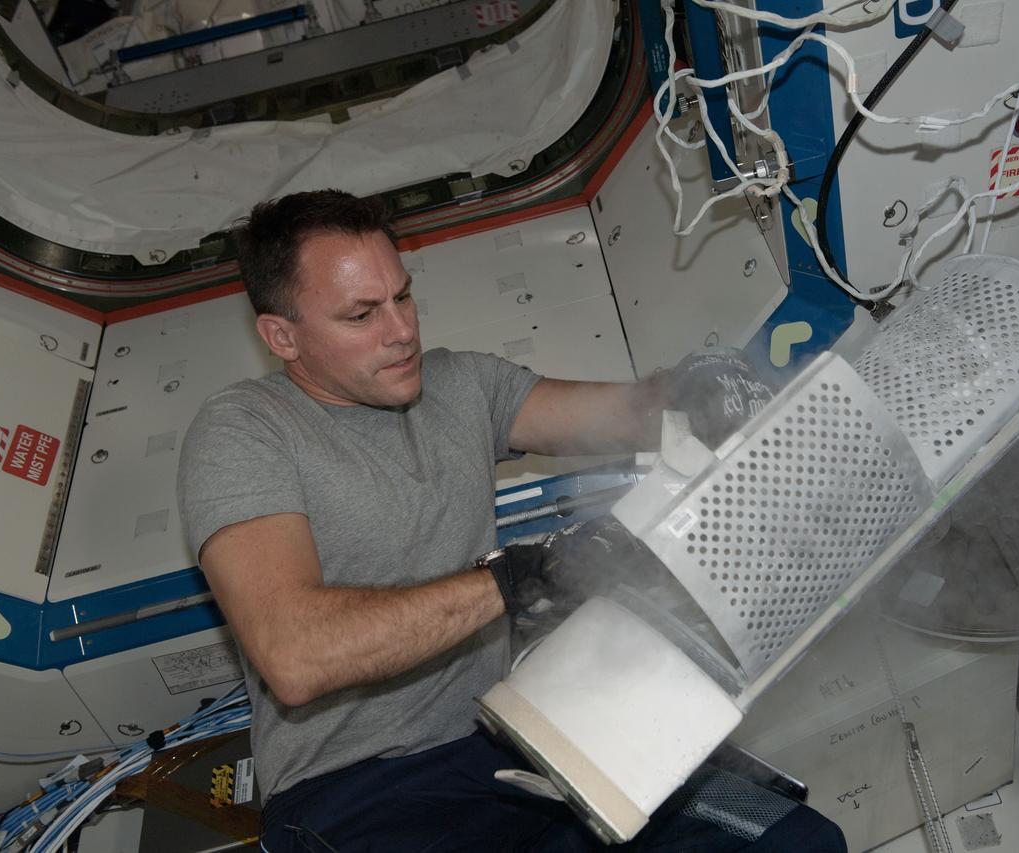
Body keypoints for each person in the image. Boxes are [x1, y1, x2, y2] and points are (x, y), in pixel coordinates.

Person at [177, 189, 846, 852]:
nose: (402, 330)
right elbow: (294, 654)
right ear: (282, 336)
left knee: (793, 840)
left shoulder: (460, 385)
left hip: (517, 741)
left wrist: (690, 393)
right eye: (361, 315)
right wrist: (520, 576)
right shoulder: (244, 431)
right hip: (355, 793)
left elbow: (620, 413)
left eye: (403, 296)